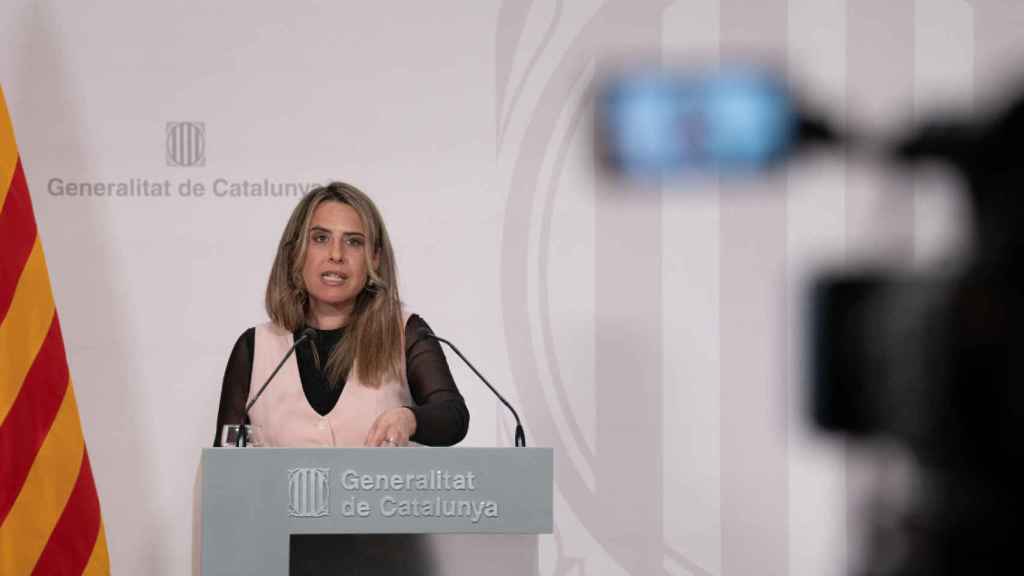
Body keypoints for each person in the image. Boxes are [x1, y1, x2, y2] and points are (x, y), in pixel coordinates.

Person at [213, 181, 469, 447]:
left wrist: (409, 418)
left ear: (375, 257)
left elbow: (453, 416)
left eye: (354, 242)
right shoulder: (255, 346)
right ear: (295, 253)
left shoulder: (405, 333)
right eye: (320, 239)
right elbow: (224, 464)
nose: (336, 254)